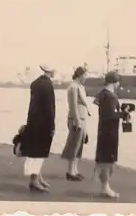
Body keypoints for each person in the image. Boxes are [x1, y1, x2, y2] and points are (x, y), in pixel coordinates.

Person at [20, 64, 56, 192]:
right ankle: (34, 181)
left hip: (33, 122)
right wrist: (52, 125)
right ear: (51, 71)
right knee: (40, 152)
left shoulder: (35, 83)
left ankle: (38, 177)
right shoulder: (48, 85)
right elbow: (50, 108)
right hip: (44, 124)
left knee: (34, 151)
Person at [94, 70, 131, 198]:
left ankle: (104, 186)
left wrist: (120, 111)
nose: (119, 84)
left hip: (104, 131)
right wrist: (123, 114)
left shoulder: (103, 94)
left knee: (106, 160)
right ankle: (105, 187)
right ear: (114, 82)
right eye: (118, 81)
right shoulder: (110, 96)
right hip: (109, 133)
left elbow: (107, 113)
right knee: (108, 161)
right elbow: (110, 115)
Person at [60, 66, 91, 181]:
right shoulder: (73, 87)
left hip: (82, 119)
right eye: (85, 75)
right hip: (76, 119)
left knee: (79, 145)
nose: (86, 77)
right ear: (80, 75)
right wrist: (77, 121)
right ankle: (70, 171)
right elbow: (73, 106)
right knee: (74, 145)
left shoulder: (79, 87)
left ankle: (75, 170)